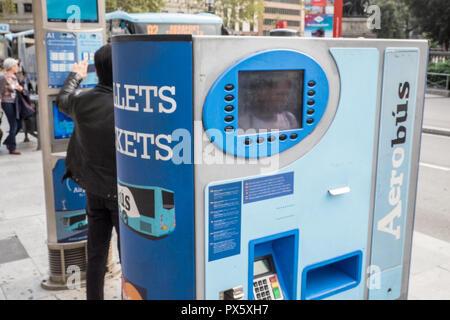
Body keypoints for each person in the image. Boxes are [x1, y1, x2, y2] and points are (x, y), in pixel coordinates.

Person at [56, 44, 119, 300]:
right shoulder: (129, 106)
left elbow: (62, 100)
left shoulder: (82, 102)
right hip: (122, 194)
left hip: (93, 189)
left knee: (96, 254)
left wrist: (75, 75)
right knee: (132, 256)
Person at [0, 58, 24, 155]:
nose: (17, 67)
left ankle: (8, 142)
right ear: (11, 67)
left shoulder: (14, 76)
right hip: (7, 102)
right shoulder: (3, 77)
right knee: (13, 124)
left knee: (19, 124)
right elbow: (0, 91)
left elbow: (17, 88)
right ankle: (12, 147)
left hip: (15, 102)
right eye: (16, 65)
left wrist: (20, 88)